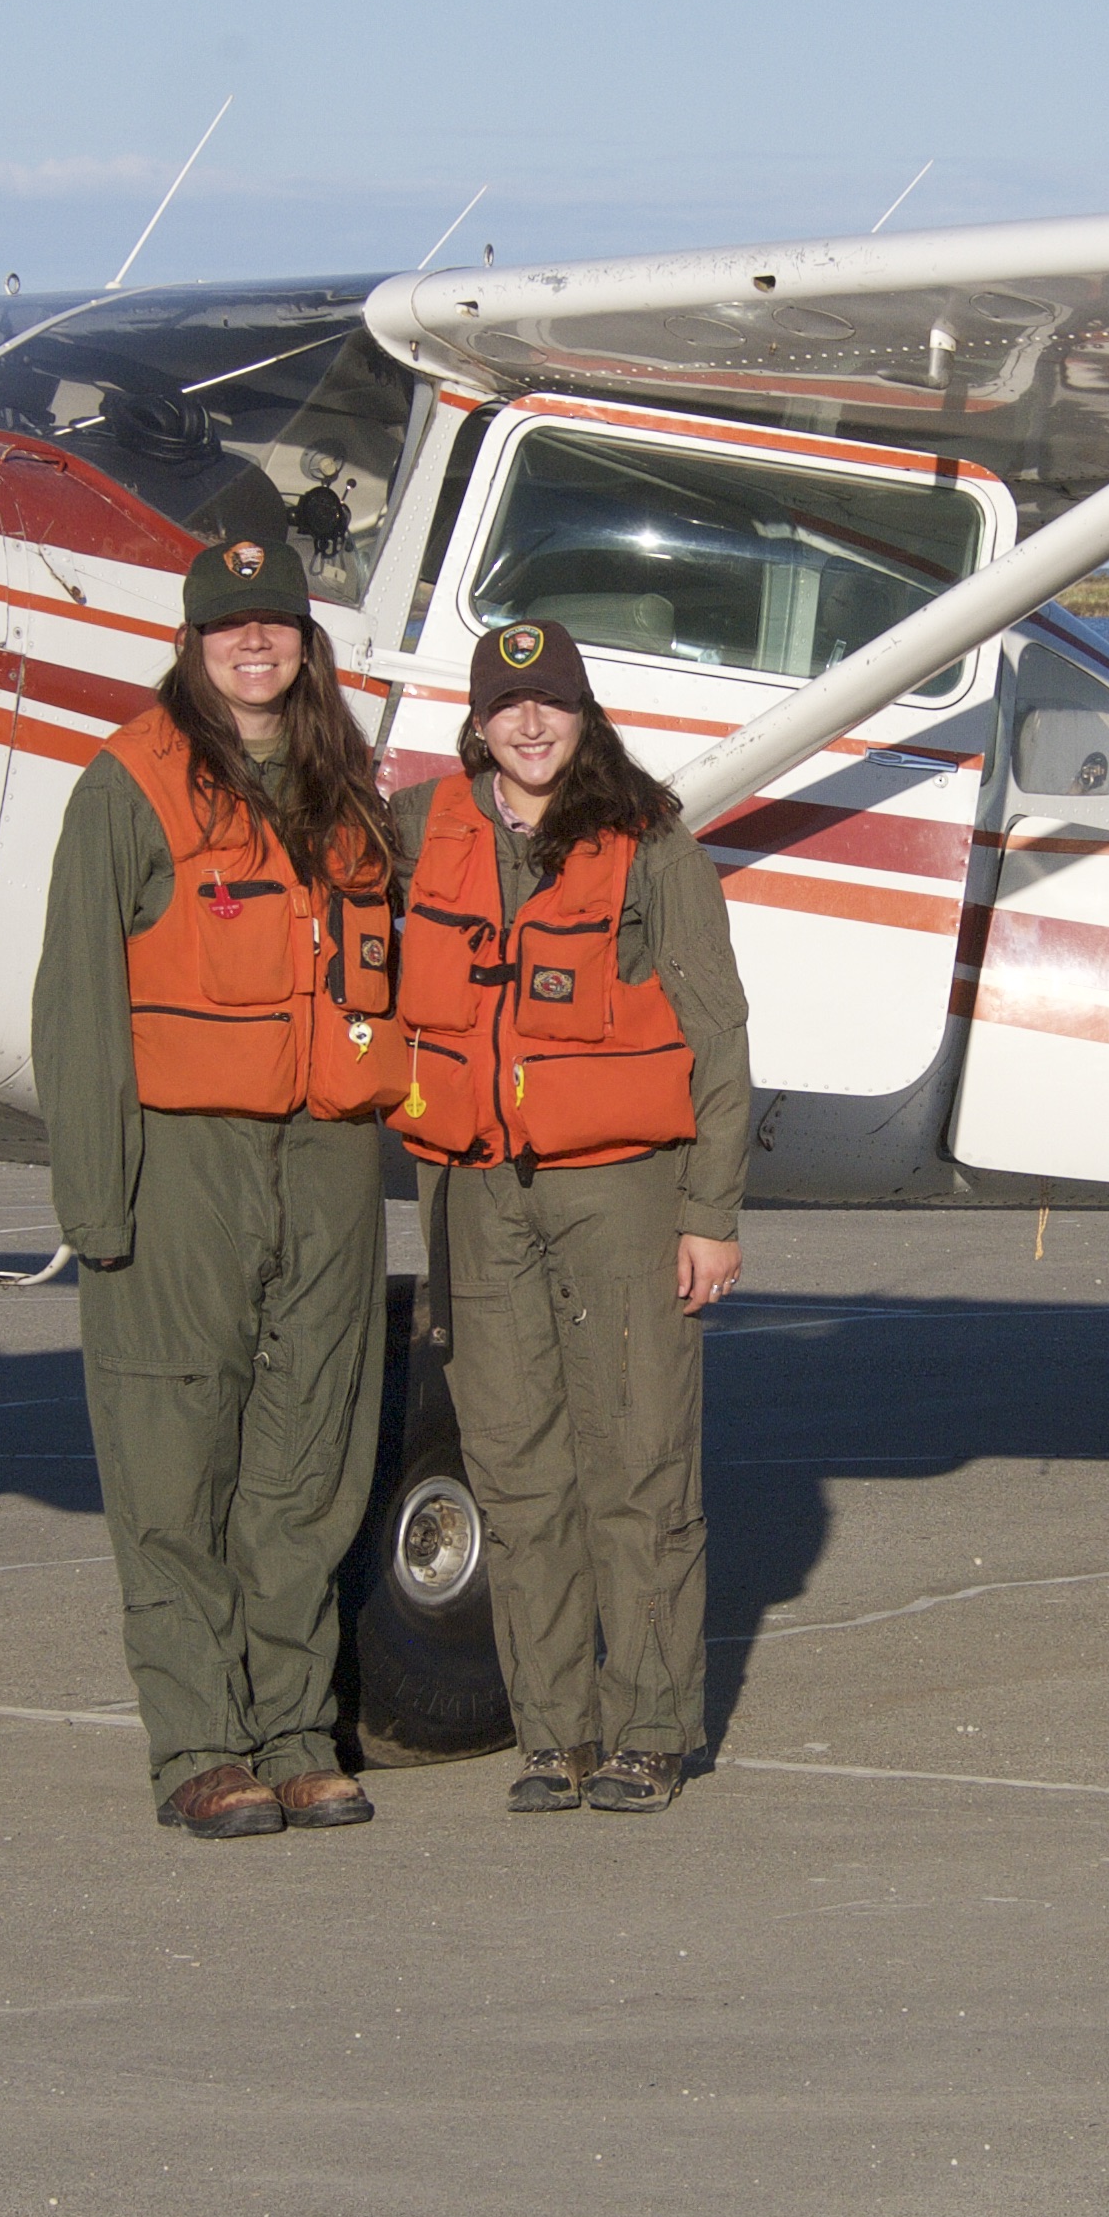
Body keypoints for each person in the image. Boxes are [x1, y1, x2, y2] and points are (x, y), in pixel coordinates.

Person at [34, 535, 405, 1840]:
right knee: (173, 1463)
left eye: (278, 625)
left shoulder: (350, 794)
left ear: (306, 642)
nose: (257, 645)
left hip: (327, 1161)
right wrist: (98, 1201)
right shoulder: (127, 787)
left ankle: (299, 1733)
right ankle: (199, 1743)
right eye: (230, 627)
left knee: (308, 1464)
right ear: (193, 646)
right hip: (183, 1157)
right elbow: (76, 1007)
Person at [389, 618, 752, 1815]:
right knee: (517, 1471)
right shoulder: (426, 831)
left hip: (621, 1192)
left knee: (639, 1460)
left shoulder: (649, 846)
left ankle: (651, 1727)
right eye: (507, 707)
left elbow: (717, 1035)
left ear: (585, 717)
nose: (529, 726)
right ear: (478, 724)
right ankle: (557, 1733)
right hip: (480, 1192)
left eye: (550, 705)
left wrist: (709, 1212)